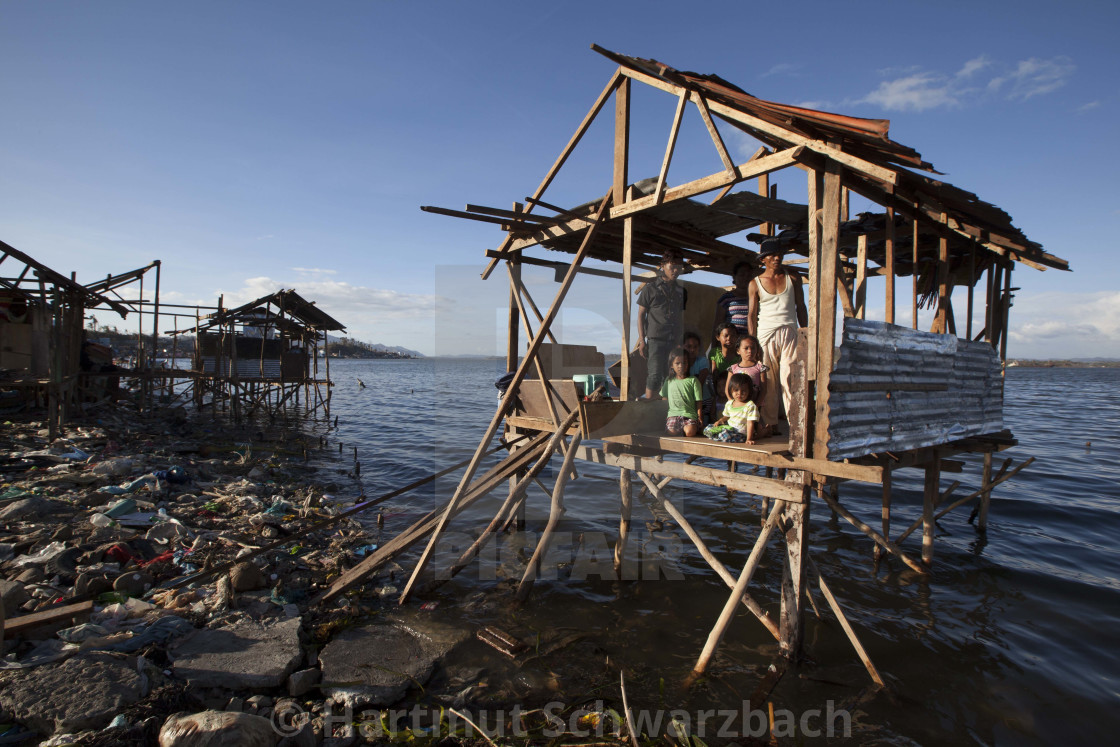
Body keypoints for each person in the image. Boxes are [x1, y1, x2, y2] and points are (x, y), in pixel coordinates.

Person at [748, 239, 807, 434]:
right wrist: (752, 343)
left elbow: (801, 306)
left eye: (780, 254)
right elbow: (751, 315)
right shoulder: (755, 283)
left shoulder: (793, 278)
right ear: (763, 259)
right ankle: (771, 424)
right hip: (765, 336)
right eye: (772, 255)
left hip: (790, 332)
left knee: (789, 379)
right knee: (769, 383)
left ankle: (795, 425)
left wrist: (805, 333)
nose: (777, 258)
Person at [637, 248, 687, 399]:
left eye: (679, 267)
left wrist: (680, 341)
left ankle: (667, 412)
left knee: (670, 375)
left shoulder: (681, 291)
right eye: (672, 267)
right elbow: (640, 315)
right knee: (655, 374)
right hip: (656, 339)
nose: (676, 270)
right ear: (663, 266)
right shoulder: (650, 288)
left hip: (674, 340)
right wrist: (642, 340)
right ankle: (650, 410)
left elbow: (680, 317)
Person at [659, 347, 703, 437]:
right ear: (672, 365)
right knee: (671, 432)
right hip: (673, 415)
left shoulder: (693, 380)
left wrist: (699, 417)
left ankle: (690, 428)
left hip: (689, 415)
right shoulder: (669, 380)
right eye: (677, 363)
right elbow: (663, 397)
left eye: (684, 363)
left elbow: (698, 401)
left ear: (688, 364)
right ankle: (681, 429)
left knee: (690, 432)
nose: (681, 366)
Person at [704, 373, 759, 444]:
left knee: (724, 436)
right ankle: (718, 436)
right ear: (731, 390)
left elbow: (750, 423)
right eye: (736, 390)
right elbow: (727, 416)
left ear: (749, 391)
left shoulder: (750, 405)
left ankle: (760, 433)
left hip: (741, 433)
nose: (739, 393)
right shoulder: (729, 403)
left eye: (743, 391)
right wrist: (720, 421)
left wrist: (749, 439)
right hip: (730, 430)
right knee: (708, 428)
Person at [714, 261, 754, 339]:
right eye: (742, 275)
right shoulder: (726, 299)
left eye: (749, 275)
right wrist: (714, 347)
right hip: (731, 343)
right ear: (734, 277)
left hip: (751, 345)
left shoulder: (757, 298)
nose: (745, 278)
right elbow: (718, 324)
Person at [683, 330, 713, 425]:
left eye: (695, 347)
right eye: (689, 346)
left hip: (703, 400)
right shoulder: (680, 364)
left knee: (701, 427)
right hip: (687, 402)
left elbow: (699, 384)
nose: (692, 350)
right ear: (682, 347)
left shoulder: (703, 361)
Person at [708, 322, 739, 415]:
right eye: (725, 336)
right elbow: (714, 373)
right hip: (719, 389)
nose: (729, 338)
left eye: (733, 335)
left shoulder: (739, 356)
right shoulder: (714, 353)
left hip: (735, 390)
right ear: (718, 337)